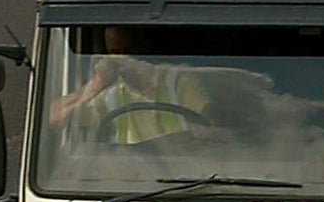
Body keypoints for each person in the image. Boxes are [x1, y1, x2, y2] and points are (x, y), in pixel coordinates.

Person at [50, 27, 212, 146]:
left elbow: (216, 122)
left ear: (145, 47)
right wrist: (96, 85)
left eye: (130, 50)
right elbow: (54, 120)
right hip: (128, 178)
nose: (124, 58)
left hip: (184, 173)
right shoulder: (109, 94)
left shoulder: (178, 80)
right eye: (116, 52)